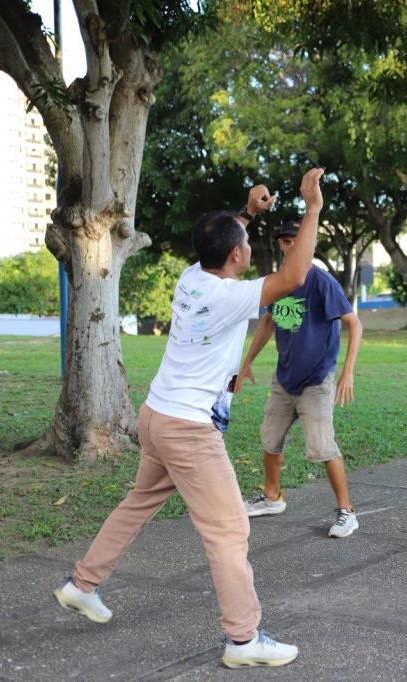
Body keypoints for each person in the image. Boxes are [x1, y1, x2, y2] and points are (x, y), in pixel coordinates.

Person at [53, 169, 326, 669]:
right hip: (186, 429)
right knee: (229, 530)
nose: (245, 246)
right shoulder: (229, 295)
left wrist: (246, 213)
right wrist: (311, 209)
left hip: (156, 415)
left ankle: (83, 584)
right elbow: (293, 277)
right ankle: (243, 640)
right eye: (244, 241)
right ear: (238, 256)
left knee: (140, 502)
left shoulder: (192, 276)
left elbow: (218, 239)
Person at [235, 216, 363, 538]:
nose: (291, 245)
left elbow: (354, 324)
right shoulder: (279, 282)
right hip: (285, 380)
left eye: (296, 240)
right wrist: (247, 360)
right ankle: (272, 497)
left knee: (322, 446)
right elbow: (268, 323)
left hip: (316, 381)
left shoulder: (322, 282)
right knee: (269, 438)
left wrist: (347, 371)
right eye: (286, 241)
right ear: (281, 244)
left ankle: (347, 512)